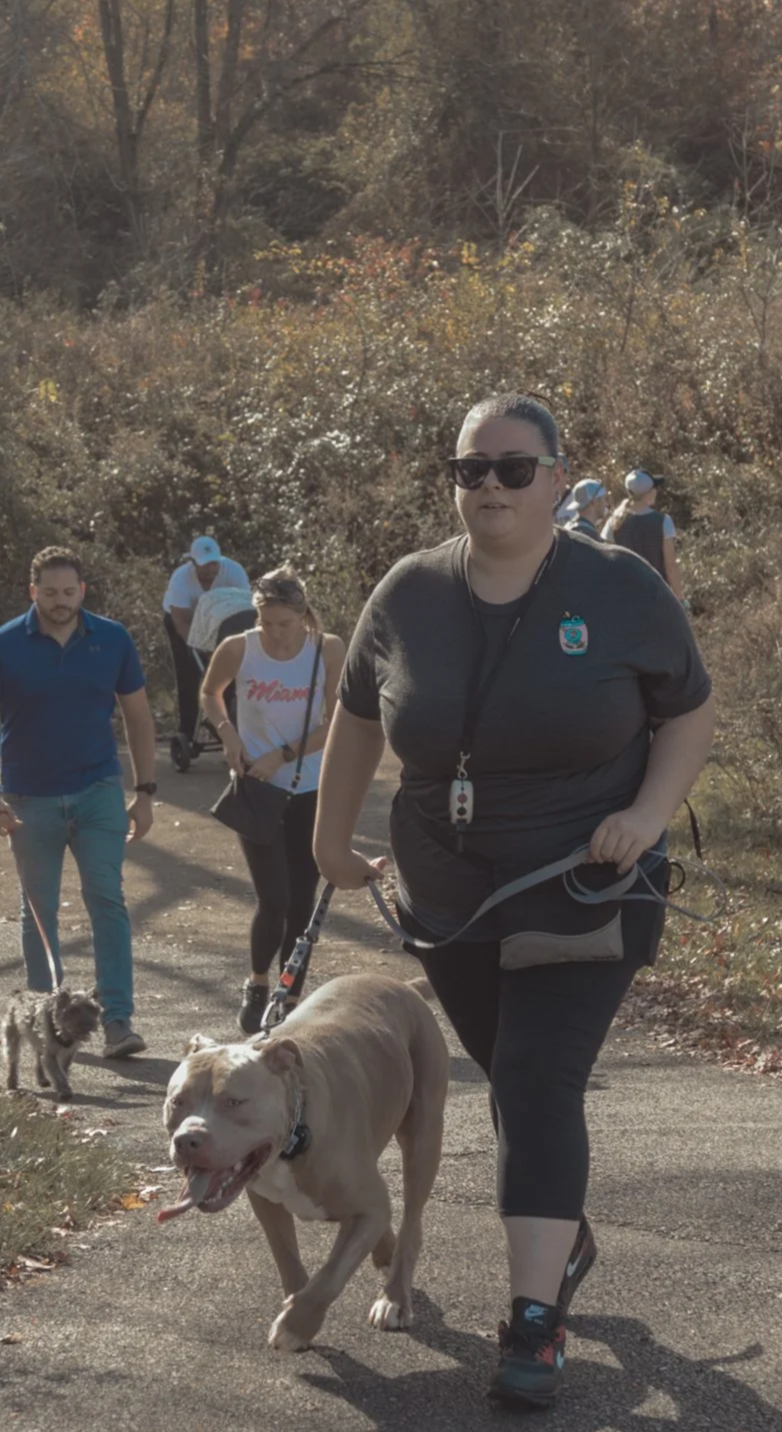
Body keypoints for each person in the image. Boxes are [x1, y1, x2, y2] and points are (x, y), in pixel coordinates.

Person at [314, 394, 715, 1408]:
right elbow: (359, 714)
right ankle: (557, 1224)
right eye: (469, 469)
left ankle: (532, 1322)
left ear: (555, 474)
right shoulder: (407, 591)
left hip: (586, 880)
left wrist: (649, 809)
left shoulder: (619, 588)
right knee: (511, 1081)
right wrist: (327, 834)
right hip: (448, 893)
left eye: (510, 466)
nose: (488, 485)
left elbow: (687, 710)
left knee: (535, 1076)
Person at [0, 546, 157, 1059]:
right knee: (39, 912)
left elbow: (138, 718)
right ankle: (49, 1021)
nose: (60, 601)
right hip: (30, 800)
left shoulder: (111, 639)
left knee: (107, 900)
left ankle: (117, 1021)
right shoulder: (2, 646)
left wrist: (146, 792)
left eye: (69, 592)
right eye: (49, 592)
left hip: (98, 792)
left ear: (82, 591)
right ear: (33, 592)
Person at [200, 568, 346, 1034]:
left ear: (303, 615)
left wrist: (282, 754)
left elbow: (338, 719)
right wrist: (227, 737)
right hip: (257, 792)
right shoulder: (239, 648)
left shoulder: (327, 648)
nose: (275, 633)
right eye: (266, 622)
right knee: (273, 897)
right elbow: (210, 692)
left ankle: (290, 993)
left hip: (308, 788)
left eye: (284, 623)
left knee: (302, 898)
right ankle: (258, 982)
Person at [163, 536, 250, 747]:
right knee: (189, 675)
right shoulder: (181, 579)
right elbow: (181, 621)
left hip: (223, 623)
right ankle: (186, 732)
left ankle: (232, 726)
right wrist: (200, 649)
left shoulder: (234, 571)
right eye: (205, 565)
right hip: (184, 623)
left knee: (232, 674)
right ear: (192, 563)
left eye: (214, 563)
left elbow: (246, 610)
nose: (211, 570)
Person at [603, 468, 688, 606]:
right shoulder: (663, 521)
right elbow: (670, 566)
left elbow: (608, 561)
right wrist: (681, 599)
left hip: (625, 597)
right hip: (657, 597)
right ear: (649, 492)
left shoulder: (614, 521)